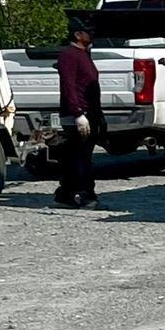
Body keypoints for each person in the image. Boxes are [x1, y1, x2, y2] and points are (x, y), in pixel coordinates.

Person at [54, 17, 103, 210]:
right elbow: (69, 86)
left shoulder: (84, 55)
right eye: (87, 32)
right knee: (80, 158)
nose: (92, 35)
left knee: (77, 157)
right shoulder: (68, 55)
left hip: (90, 113)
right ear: (77, 34)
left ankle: (65, 195)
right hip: (77, 115)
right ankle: (86, 196)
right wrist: (77, 114)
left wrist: (98, 115)